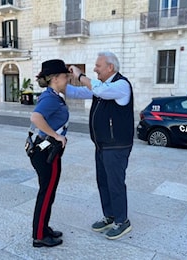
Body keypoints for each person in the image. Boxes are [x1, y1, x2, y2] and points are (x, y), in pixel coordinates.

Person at [68, 51, 134, 240]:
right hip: (102, 145)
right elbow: (78, 92)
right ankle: (110, 216)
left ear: (110, 67)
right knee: (103, 182)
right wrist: (58, 82)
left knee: (115, 184)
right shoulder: (101, 86)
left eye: (98, 66)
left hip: (117, 145)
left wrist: (81, 75)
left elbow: (100, 91)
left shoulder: (121, 85)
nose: (95, 69)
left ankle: (122, 221)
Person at [29, 59, 92, 248]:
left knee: (48, 192)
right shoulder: (50, 97)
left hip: (45, 151)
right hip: (46, 152)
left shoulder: (53, 94)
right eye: (65, 76)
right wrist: (55, 135)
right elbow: (35, 117)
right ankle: (39, 235)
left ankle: (43, 227)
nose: (68, 79)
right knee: (46, 193)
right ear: (55, 78)